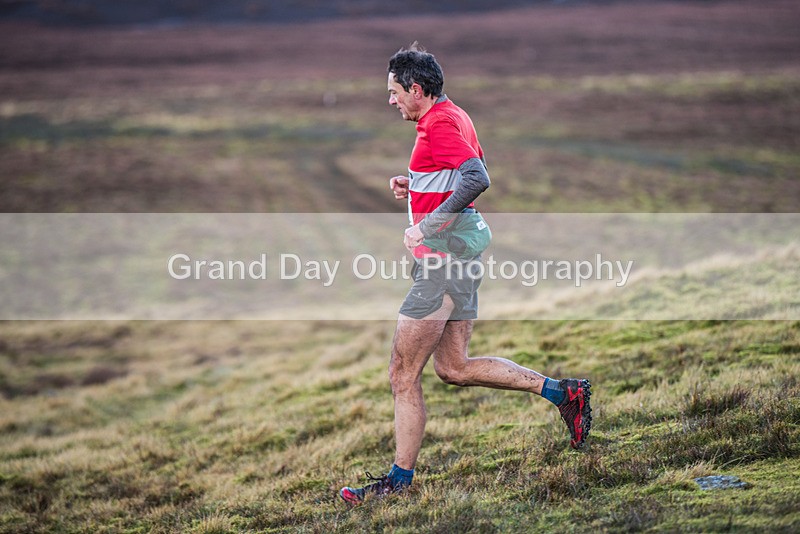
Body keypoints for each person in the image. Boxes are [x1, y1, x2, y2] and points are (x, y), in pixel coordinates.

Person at [339, 42, 592, 504]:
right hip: (460, 260)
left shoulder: (437, 125)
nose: (391, 100)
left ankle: (397, 483)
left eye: (394, 91)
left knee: (402, 374)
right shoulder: (452, 115)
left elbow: (478, 178)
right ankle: (564, 394)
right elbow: (462, 172)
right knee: (453, 368)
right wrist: (416, 185)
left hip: (440, 264)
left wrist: (425, 225)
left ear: (417, 89)